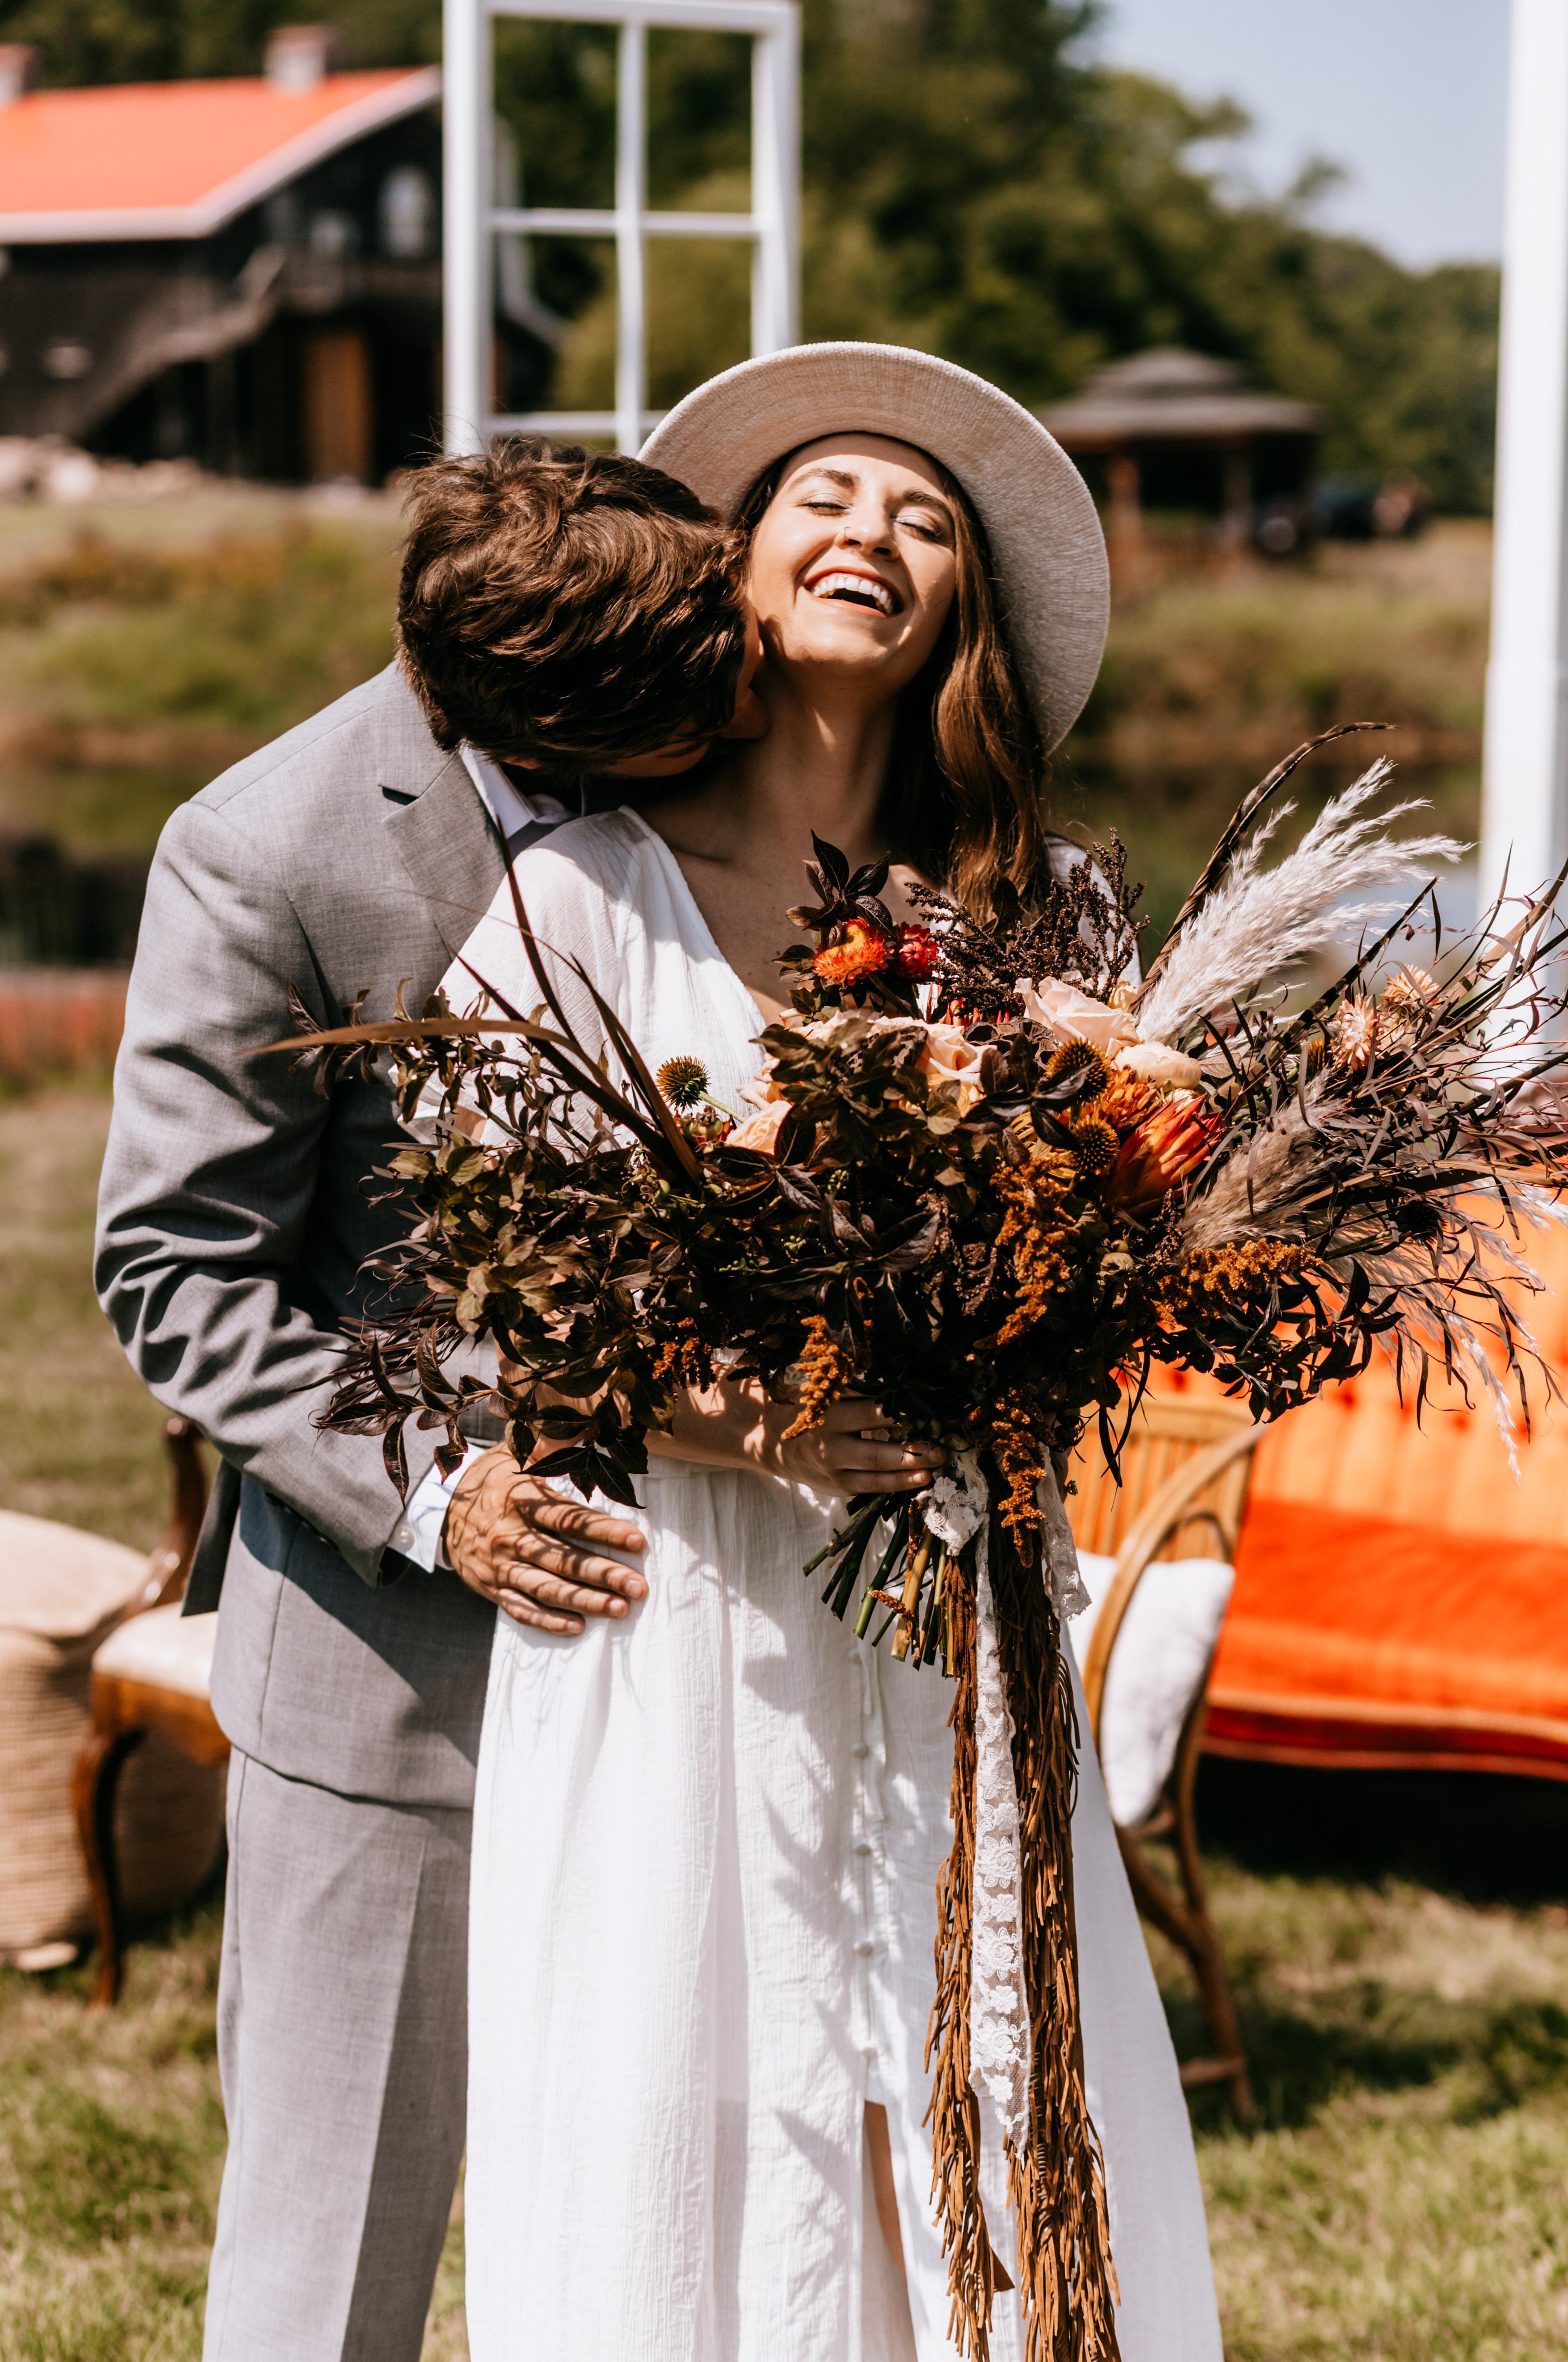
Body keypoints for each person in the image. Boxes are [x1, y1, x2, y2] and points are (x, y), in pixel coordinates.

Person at [444, 345, 1224, 2360]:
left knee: (965, 2079)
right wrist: (762, 1422)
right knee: (693, 2085)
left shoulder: (1041, 919)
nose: (875, 533)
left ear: (961, 608)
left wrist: (1031, 1315)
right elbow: (499, 1284)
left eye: (926, 519)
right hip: (681, 1608)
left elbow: (1116, 1272)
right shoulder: (578, 901)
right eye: (828, 495)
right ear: (740, 554)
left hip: (950, 1609)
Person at [94, 438, 764, 2362]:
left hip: (712, 1656)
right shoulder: (268, 850)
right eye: (714, 674)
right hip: (398, 1679)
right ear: (576, 716)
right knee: (335, 2268)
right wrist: (439, 1495)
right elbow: (173, 1274)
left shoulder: (727, 809)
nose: (757, 688)